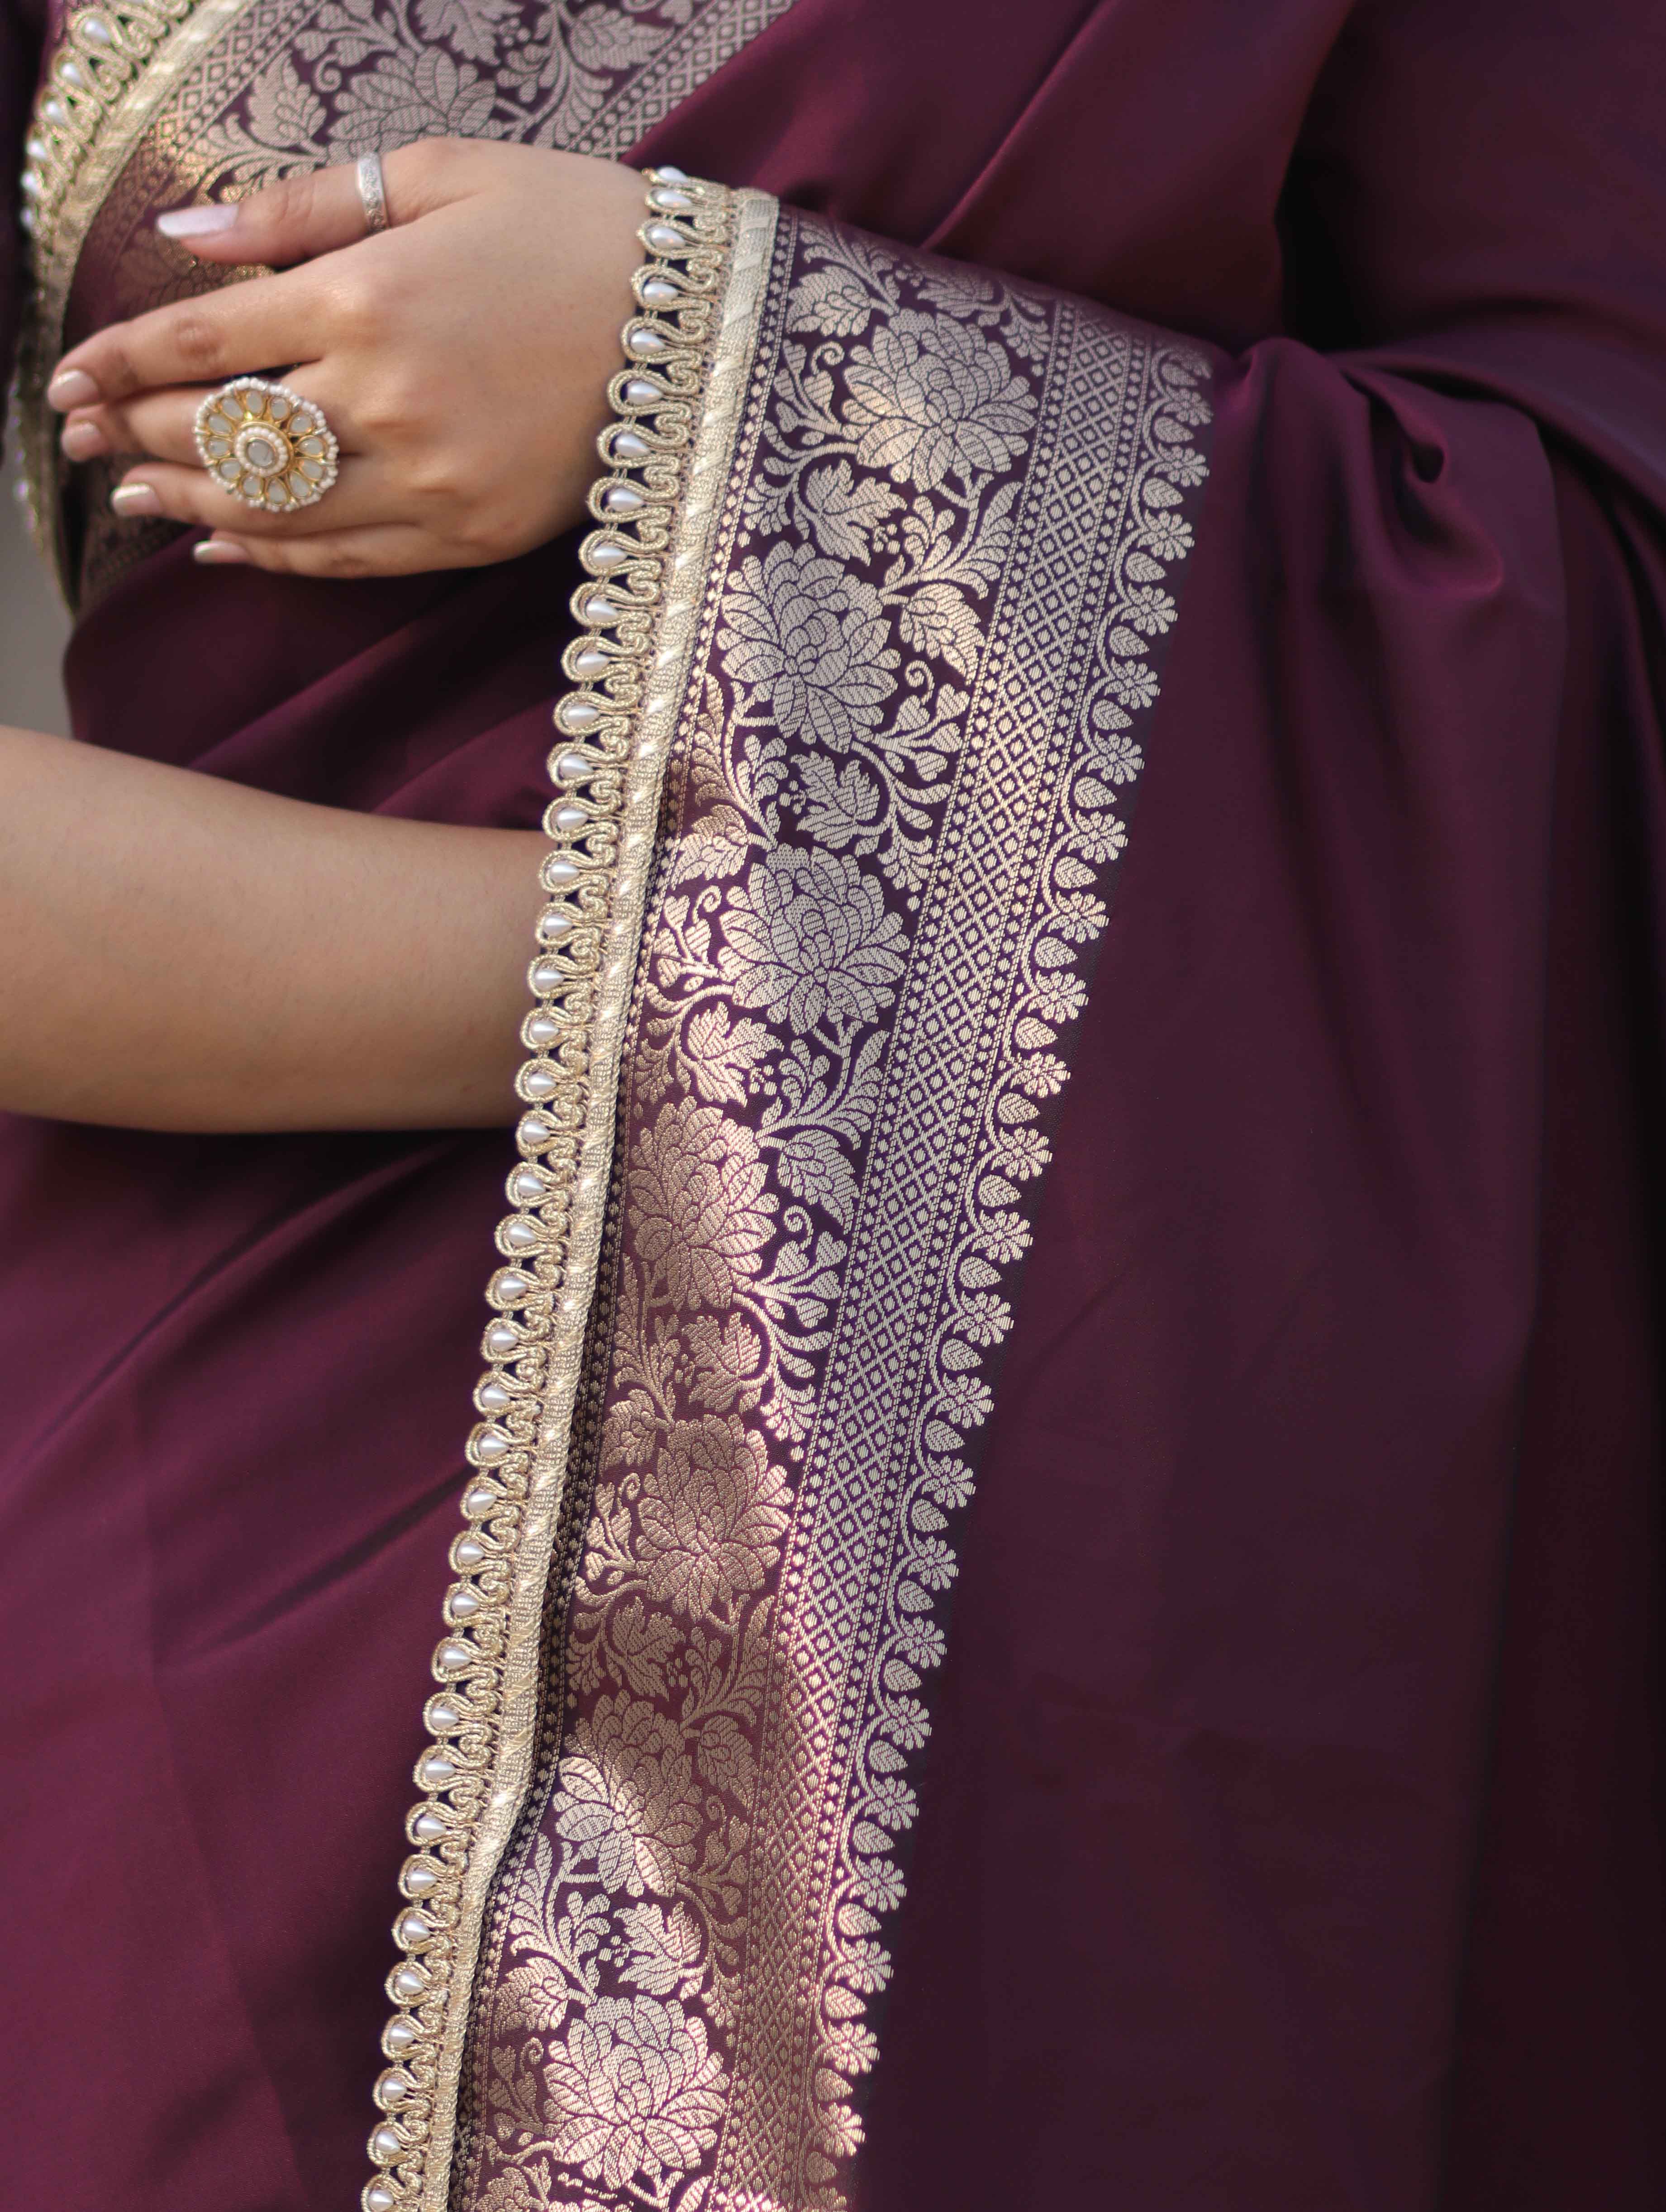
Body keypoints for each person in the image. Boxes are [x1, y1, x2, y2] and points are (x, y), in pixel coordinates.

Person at [1, 3, 1662, 2207]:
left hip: (1041, 1586)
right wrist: (710, 960)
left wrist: (692, 350)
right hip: (216, 1518)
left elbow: (1601, 593)